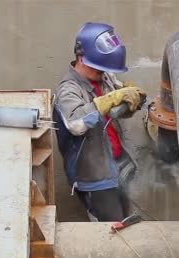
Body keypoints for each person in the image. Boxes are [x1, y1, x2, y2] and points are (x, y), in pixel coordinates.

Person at [54, 22, 146, 222]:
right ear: (81, 58)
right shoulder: (68, 90)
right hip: (95, 177)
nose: (102, 73)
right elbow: (76, 124)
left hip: (117, 165)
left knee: (126, 222)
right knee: (109, 231)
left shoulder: (104, 78)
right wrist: (110, 100)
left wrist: (133, 99)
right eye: (99, 68)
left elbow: (118, 110)